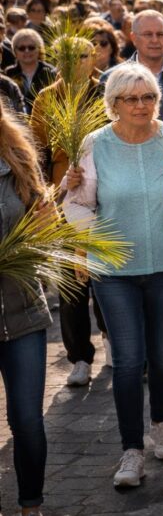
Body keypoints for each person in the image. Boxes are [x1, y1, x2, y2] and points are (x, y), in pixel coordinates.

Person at [64, 63, 163, 488]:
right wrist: (96, 240)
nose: (141, 105)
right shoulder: (95, 145)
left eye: (148, 97)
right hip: (115, 272)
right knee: (129, 362)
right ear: (113, 104)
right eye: (131, 98)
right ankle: (131, 451)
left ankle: (161, 423)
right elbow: (76, 203)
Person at [30, 38, 109, 387]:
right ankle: (79, 357)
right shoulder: (46, 97)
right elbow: (37, 153)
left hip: (106, 198)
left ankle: (113, 341)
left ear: (93, 59)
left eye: (82, 56)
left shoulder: (107, 92)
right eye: (67, 57)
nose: (74, 62)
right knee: (71, 284)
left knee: (107, 276)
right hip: (64, 203)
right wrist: (45, 197)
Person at [0, 97, 52, 516]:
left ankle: (30, 506)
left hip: (23, 309)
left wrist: (43, 223)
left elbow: (42, 220)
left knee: (28, 422)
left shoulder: (17, 158)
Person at [4, 29, 55, 112]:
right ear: (15, 51)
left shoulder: (50, 72)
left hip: (43, 120)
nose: (27, 51)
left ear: (39, 49)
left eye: (31, 47)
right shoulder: (9, 73)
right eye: (22, 48)